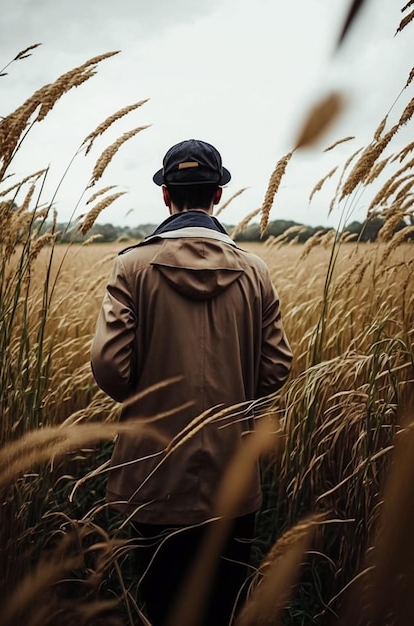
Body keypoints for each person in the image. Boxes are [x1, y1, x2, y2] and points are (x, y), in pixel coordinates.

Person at [90, 139, 293, 626]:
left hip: (155, 474)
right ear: (217, 196)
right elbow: (276, 368)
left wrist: (150, 400)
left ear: (166, 197)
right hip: (233, 476)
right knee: (224, 608)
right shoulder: (255, 271)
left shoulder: (131, 266)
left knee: (162, 606)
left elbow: (110, 367)